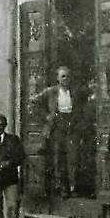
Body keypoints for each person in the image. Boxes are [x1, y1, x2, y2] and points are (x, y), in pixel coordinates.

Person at [29, 66, 86, 197]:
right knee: (59, 158)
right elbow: (34, 101)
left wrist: (79, 121)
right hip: (57, 127)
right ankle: (62, 188)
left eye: (67, 76)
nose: (65, 79)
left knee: (73, 157)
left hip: (72, 126)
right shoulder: (51, 92)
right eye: (63, 76)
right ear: (57, 78)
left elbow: (82, 108)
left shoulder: (76, 92)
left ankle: (73, 187)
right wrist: (46, 116)